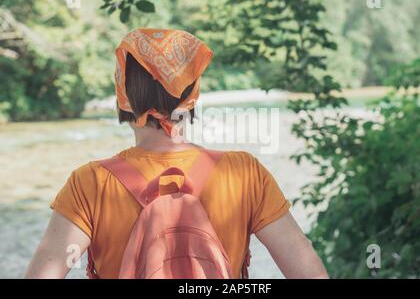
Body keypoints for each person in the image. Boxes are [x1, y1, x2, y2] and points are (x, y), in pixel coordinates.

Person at [25, 28, 328, 279]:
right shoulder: (244, 172)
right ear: (192, 97)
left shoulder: (90, 182)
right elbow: (307, 270)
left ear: (123, 97)